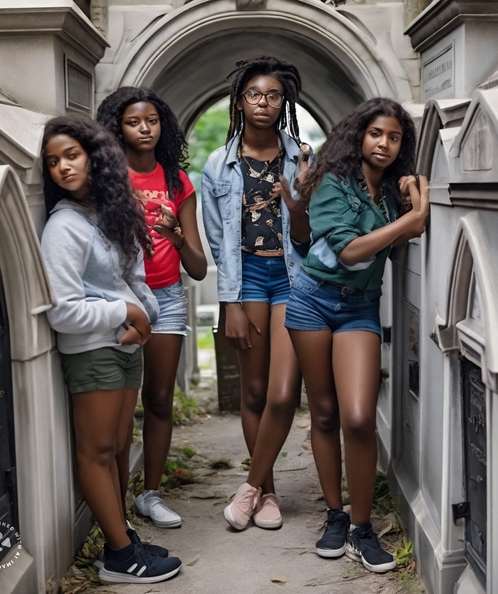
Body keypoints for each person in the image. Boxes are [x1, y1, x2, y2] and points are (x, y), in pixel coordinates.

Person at [285, 98, 429, 572]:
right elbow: (347, 252)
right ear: (358, 137)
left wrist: (407, 197)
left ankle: (361, 530)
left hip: (359, 309)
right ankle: (335, 515)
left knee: (360, 416)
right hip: (311, 301)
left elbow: (396, 234)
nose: (384, 144)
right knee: (324, 413)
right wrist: (407, 221)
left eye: (394, 137)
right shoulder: (331, 183)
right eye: (376, 134)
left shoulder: (390, 191)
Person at [40, 115, 182, 584]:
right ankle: (121, 557)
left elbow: (135, 282)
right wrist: (126, 313)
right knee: (98, 453)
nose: (62, 167)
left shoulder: (110, 215)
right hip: (93, 351)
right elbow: (62, 311)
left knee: (120, 450)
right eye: (53, 161)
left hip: (124, 347)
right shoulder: (63, 226)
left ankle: (119, 539)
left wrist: (146, 319)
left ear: (96, 158)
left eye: (72, 156)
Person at [201, 55, 311, 531]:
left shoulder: (302, 157)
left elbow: (310, 233)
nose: (263, 103)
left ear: (283, 101)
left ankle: (247, 486)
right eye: (254, 95)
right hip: (246, 281)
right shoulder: (217, 164)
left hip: (292, 279)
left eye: (272, 95)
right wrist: (230, 303)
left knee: (284, 395)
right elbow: (217, 241)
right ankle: (266, 494)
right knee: (256, 391)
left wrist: (302, 198)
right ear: (240, 101)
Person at [97, 87, 207, 529]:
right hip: (120, 297)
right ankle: (117, 495)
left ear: (163, 126)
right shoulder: (109, 179)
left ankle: (150, 494)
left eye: (152, 121)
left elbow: (198, 267)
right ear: (117, 130)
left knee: (159, 399)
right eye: (133, 122)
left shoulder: (178, 183)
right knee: (123, 404)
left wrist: (176, 237)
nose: (144, 129)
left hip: (167, 297)